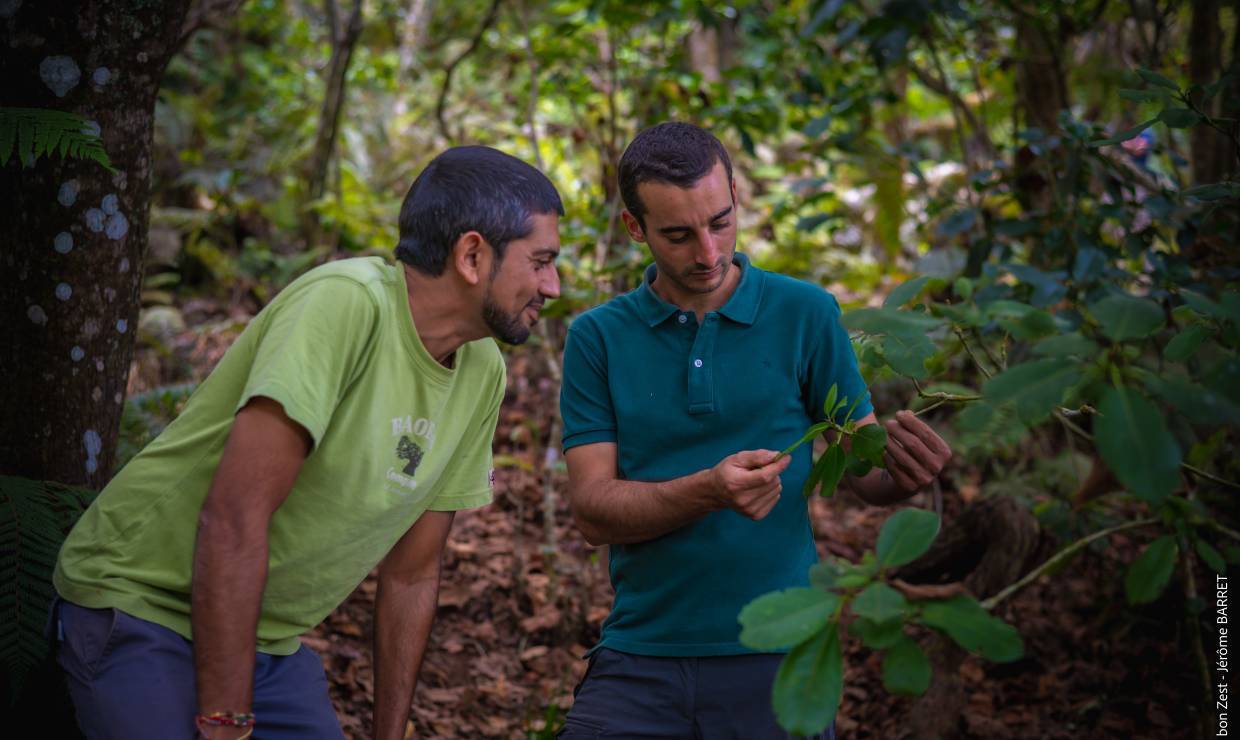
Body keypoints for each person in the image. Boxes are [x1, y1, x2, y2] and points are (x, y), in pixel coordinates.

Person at [51, 146, 563, 739]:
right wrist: (226, 723)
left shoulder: (482, 370)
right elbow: (234, 517)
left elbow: (413, 576)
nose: (553, 286)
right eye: (542, 261)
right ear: (472, 255)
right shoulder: (345, 303)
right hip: (138, 606)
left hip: (269, 644)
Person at [558, 122, 952, 738]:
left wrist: (904, 473)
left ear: (735, 195)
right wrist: (709, 491)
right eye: (679, 235)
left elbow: (862, 473)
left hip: (779, 646)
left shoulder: (805, 314)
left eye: (720, 221)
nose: (708, 253)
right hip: (641, 651)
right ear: (635, 229)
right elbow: (592, 512)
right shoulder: (598, 338)